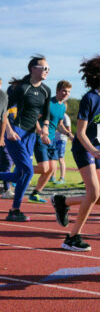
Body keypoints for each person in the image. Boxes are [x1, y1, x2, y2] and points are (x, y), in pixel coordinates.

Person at [50, 52, 100, 252]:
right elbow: (80, 132)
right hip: (84, 149)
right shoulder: (89, 98)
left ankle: (63, 201)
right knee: (93, 192)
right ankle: (72, 237)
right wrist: (93, 150)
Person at [1, 55, 51, 221]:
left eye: (48, 68)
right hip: (16, 132)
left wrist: (43, 130)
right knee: (28, 171)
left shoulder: (45, 90)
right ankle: (15, 210)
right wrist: (8, 131)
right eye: (44, 68)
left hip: (30, 135)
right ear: (32, 69)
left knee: (19, 175)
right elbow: (4, 112)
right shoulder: (22, 89)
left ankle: (15, 209)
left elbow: (45, 115)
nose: (47, 71)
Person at [29, 80, 72, 202]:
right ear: (58, 90)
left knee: (52, 168)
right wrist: (41, 133)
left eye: (68, 91)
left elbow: (60, 124)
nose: (66, 93)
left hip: (52, 140)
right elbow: (35, 119)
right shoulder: (48, 103)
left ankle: (35, 193)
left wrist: (70, 134)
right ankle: (21, 169)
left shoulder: (62, 106)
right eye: (64, 90)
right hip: (41, 137)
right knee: (44, 168)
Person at [52, 112, 73, 184]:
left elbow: (69, 130)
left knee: (60, 158)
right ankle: (52, 177)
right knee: (53, 158)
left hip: (61, 139)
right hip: (54, 138)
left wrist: (60, 129)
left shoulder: (65, 117)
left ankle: (62, 178)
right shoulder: (56, 114)